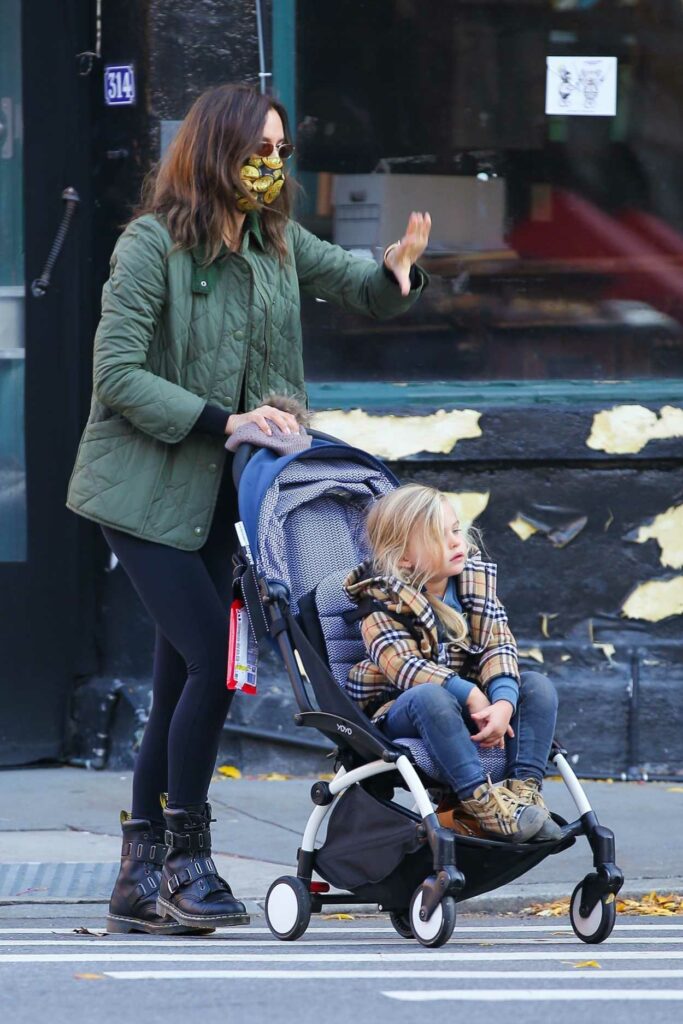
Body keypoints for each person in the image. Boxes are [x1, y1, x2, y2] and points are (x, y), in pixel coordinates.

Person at [66, 83, 430, 935]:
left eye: (280, 152)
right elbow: (116, 376)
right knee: (206, 666)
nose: (270, 167)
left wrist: (395, 271)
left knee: (177, 681)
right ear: (213, 152)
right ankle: (188, 861)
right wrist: (225, 421)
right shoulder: (151, 246)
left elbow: (358, 285)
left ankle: (140, 874)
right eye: (255, 151)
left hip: (231, 501)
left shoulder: (274, 242)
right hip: (145, 492)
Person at [343, 483, 562, 844]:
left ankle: (522, 797)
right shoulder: (379, 604)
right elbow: (404, 667)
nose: (457, 542)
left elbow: (498, 644)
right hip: (404, 710)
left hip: (468, 709)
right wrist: (471, 693)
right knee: (431, 696)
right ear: (403, 558)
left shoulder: (473, 586)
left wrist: (504, 700)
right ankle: (480, 803)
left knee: (537, 685)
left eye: (456, 530)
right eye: (439, 537)